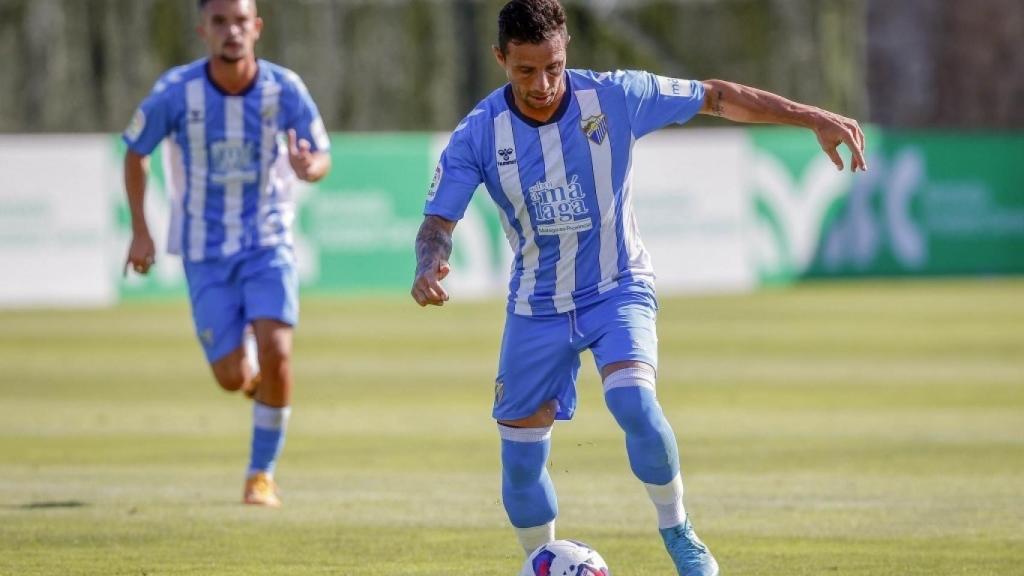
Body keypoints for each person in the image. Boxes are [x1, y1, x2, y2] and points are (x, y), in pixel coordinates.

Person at [411, 0, 866, 574]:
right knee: (521, 463)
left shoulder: (617, 96)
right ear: (500, 58)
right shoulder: (479, 132)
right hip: (536, 307)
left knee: (634, 402)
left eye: (552, 66)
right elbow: (437, 224)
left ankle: (680, 535)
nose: (542, 83)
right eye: (525, 70)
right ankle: (542, 562)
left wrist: (811, 117)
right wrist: (429, 265)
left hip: (616, 287)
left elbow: (715, 96)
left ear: (567, 48)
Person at [122, 0, 331, 508]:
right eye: (220, 22)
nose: (231, 32)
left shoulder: (285, 88)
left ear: (257, 28)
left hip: (267, 241)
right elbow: (135, 151)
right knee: (232, 377)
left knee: (280, 351)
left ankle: (261, 475)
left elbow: (322, 154)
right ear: (203, 30)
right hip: (204, 251)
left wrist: (309, 167)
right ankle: (251, 372)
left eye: (241, 22)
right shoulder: (176, 93)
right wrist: (141, 232)